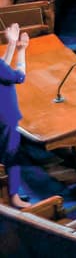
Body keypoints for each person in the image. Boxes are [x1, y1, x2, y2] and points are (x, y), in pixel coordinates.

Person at [0, 24, 30, 208]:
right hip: (5, 115)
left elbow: (2, 67)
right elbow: (19, 77)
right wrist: (22, 51)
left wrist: (12, 46)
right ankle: (13, 197)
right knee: (12, 154)